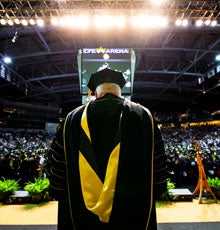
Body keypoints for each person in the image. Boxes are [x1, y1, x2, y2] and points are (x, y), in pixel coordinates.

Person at [46, 68, 167, 230]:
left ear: (96, 93)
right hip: (133, 207)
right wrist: (158, 189)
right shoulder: (143, 115)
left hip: (81, 208)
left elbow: (57, 162)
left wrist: (58, 190)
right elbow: (158, 161)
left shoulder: (72, 118)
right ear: (120, 90)